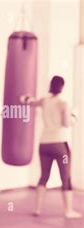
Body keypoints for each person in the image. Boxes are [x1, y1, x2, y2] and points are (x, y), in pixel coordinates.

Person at [20, 76, 81, 219]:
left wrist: (24, 98)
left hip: (44, 144)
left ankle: (37, 209)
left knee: (44, 176)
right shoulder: (63, 103)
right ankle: (68, 211)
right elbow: (67, 123)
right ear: (62, 86)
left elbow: (29, 102)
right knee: (66, 178)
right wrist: (75, 116)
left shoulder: (44, 100)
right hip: (60, 145)